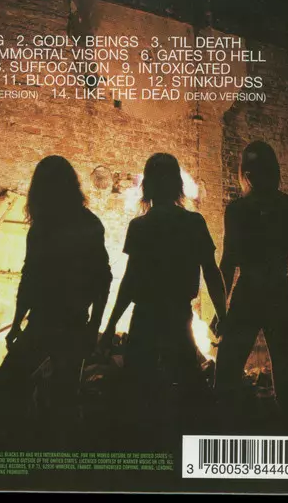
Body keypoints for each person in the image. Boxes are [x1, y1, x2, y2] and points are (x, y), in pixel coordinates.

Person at [0, 155, 112, 423]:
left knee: (6, 393)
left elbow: (30, 279)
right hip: (72, 323)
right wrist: (94, 326)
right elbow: (103, 279)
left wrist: (17, 323)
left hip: (44, 323)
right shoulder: (89, 224)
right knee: (63, 403)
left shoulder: (42, 229)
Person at [99, 153, 227, 408]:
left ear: (147, 186)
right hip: (178, 317)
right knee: (190, 393)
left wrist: (111, 325)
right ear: (177, 185)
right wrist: (223, 315)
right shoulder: (193, 223)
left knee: (137, 394)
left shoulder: (140, 226)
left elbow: (130, 281)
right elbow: (211, 272)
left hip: (145, 319)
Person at [214, 141, 288, 410]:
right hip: (278, 293)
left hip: (247, 294)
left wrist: (220, 311)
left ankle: (225, 424)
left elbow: (228, 263)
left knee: (226, 376)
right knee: (286, 380)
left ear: (246, 174)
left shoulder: (237, 210)